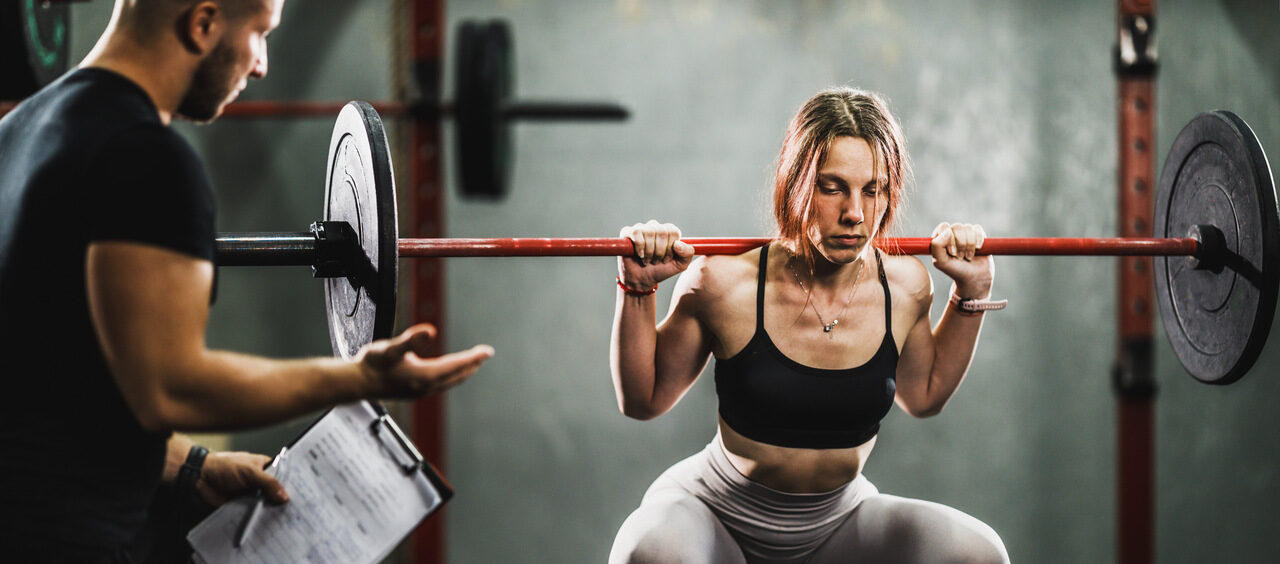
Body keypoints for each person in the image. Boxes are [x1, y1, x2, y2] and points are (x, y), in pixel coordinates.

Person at [0, 1, 493, 561]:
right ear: (203, 23)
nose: (260, 65)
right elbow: (170, 388)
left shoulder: (14, 135)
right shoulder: (145, 158)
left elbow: (54, 382)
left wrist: (193, 467)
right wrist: (359, 377)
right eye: (260, 34)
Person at [608, 87, 1010, 563]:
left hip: (838, 522)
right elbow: (643, 400)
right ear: (795, 183)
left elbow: (924, 397)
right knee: (649, 551)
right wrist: (637, 287)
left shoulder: (905, 287)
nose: (855, 214)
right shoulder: (723, 283)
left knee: (979, 552)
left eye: (873, 190)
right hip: (716, 517)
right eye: (832, 187)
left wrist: (971, 291)